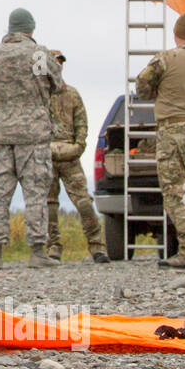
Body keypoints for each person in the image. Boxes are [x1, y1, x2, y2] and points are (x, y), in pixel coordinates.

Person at [0, 8, 62, 269]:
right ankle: (37, 251)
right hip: (32, 134)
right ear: (31, 28)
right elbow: (56, 83)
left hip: (1, 133)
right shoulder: (38, 53)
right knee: (36, 193)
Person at [135, 11, 185, 267]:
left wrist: (158, 91)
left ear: (177, 33)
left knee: (177, 191)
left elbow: (141, 85)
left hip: (174, 129)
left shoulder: (167, 58)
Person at [46, 51, 108, 263]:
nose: (58, 66)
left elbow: (82, 122)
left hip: (70, 157)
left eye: (60, 63)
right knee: (49, 203)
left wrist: (79, 145)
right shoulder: (38, 94)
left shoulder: (72, 94)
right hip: (46, 157)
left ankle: (97, 246)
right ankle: (53, 246)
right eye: (54, 63)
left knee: (83, 202)